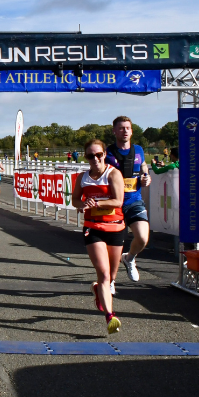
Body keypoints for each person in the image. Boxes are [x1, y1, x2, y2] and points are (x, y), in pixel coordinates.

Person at [72, 139, 125, 335]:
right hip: (93, 227)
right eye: (90, 156)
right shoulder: (82, 178)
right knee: (103, 274)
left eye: (98, 155)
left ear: (104, 154)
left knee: (111, 277)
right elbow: (75, 199)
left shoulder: (113, 174)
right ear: (85, 157)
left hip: (115, 226)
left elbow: (118, 201)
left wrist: (97, 204)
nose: (95, 159)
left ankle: (98, 291)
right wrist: (81, 205)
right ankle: (110, 316)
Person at [105, 116, 150, 286]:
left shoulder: (138, 149)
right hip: (113, 203)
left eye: (128, 128)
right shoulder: (107, 152)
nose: (125, 131)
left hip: (133, 200)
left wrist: (146, 176)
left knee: (143, 238)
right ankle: (110, 280)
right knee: (113, 245)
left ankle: (130, 258)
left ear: (132, 131)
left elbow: (143, 165)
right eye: (121, 128)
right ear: (114, 131)